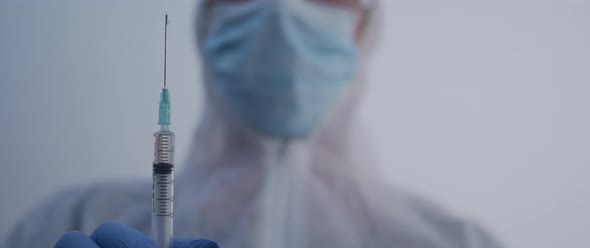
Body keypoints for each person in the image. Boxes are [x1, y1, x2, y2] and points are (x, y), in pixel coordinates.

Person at [5, 0, 504, 247]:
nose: (282, 10)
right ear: (208, 21)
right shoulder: (71, 222)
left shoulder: (455, 242)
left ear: (364, 26)